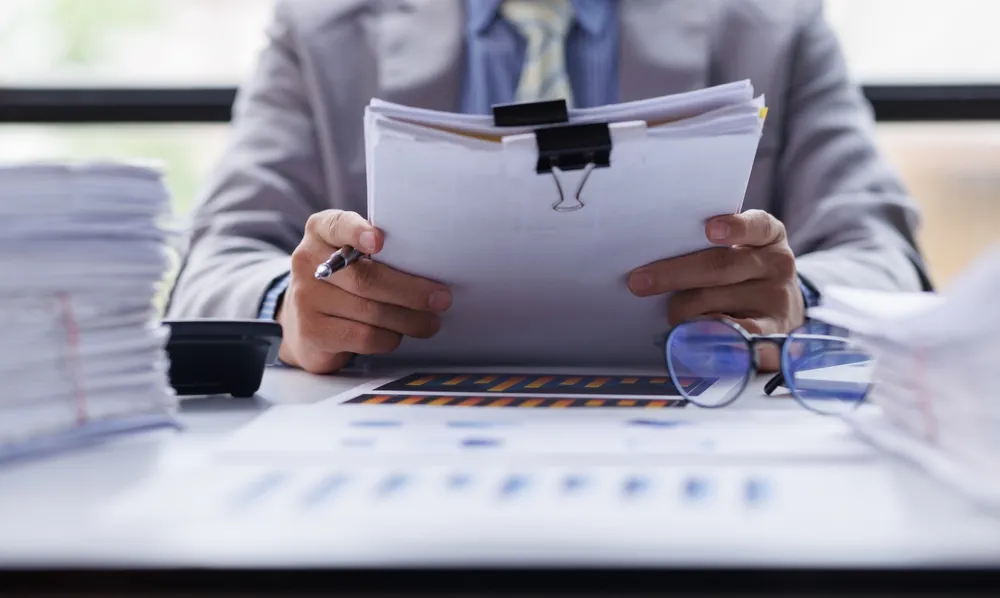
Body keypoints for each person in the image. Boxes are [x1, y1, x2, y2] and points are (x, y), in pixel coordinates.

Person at [167, 0, 932, 374]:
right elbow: (214, 264)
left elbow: (885, 263)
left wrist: (798, 307)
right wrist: (292, 309)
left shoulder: (773, 23)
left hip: (696, 431)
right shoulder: (319, 30)